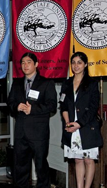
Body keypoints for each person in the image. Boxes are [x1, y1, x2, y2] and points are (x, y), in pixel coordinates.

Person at [7, 52, 57, 188]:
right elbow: (9, 103)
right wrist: (16, 106)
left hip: (38, 133)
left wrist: (33, 109)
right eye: (23, 62)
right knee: (20, 167)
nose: (25, 65)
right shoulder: (16, 83)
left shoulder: (46, 83)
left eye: (28, 62)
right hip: (21, 132)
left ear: (36, 64)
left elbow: (52, 106)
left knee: (41, 166)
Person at [60, 52, 103, 188]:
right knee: (78, 160)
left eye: (79, 62)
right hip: (71, 128)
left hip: (87, 127)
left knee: (89, 161)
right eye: (73, 62)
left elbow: (92, 108)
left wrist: (79, 124)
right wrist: (68, 122)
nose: (76, 65)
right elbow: (63, 105)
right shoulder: (66, 83)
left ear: (85, 64)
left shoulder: (92, 83)